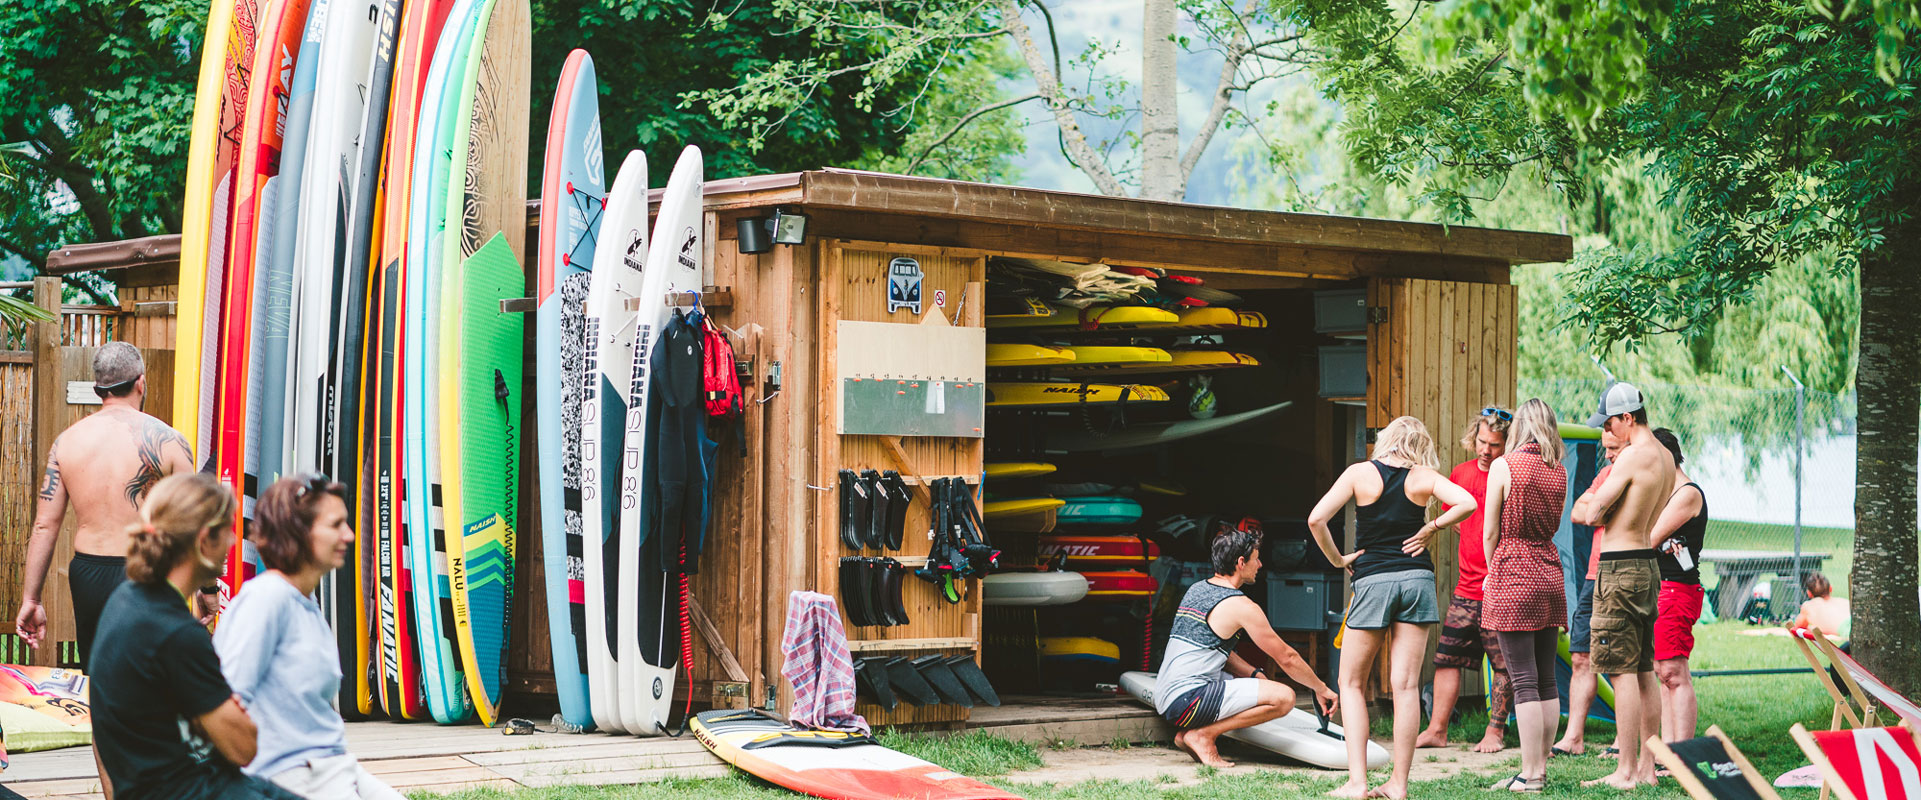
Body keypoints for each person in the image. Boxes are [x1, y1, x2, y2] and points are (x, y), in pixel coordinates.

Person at [88, 473, 300, 800]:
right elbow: (243, 747)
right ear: (203, 542)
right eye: (227, 531)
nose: (234, 541)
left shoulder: (127, 600)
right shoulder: (176, 633)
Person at [1309, 416, 1477, 800]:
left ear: (1387, 440)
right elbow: (1467, 503)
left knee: (1351, 683)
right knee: (1405, 687)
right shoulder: (1423, 477)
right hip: (1417, 582)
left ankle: (1358, 783)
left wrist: (1338, 560)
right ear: (1420, 444)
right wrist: (1431, 527)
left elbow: (1316, 518)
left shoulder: (1359, 473)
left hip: (1373, 582)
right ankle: (1398, 786)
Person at [214, 474, 404, 800]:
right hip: (291, 773)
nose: (350, 534)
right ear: (298, 531)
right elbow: (225, 699)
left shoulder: (305, 600)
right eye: (336, 524)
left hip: (332, 763)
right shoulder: (266, 598)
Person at [16, 342, 196, 670]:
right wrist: (207, 587)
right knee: (149, 676)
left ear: (98, 388)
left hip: (90, 573)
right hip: (147, 570)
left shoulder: (67, 442)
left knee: (100, 678)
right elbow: (193, 520)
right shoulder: (170, 441)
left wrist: (31, 598)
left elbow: (45, 525)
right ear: (140, 382)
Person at [1152, 520, 1339, 769]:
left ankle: (1192, 733)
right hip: (1188, 700)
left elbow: (1216, 652)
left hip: (1167, 696)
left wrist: (1254, 673)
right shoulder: (1241, 606)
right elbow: (1287, 657)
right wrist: (1321, 688)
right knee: (1284, 698)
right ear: (1241, 563)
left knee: (1262, 686)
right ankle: (1203, 735)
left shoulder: (1197, 589)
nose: (1260, 565)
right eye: (1256, 559)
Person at [1570, 382, 1675, 790]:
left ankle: (1626, 770)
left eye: (1611, 423)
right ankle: (1647, 769)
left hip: (1618, 566)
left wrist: (1592, 505)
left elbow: (1592, 510)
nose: (1610, 432)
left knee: (1620, 670)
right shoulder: (1664, 456)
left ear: (1628, 418)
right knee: (1644, 668)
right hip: (1648, 567)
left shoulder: (1632, 456)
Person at [1478, 399, 1570, 792]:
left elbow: (1490, 531)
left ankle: (1530, 773)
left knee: (1524, 680)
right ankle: (1540, 768)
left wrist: (1491, 569)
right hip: (1549, 571)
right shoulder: (1559, 471)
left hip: (1514, 571)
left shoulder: (1505, 466)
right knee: (1547, 680)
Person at [1417, 407, 1513, 753]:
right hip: (1466, 589)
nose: (1486, 451)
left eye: (1495, 445)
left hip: (1500, 589)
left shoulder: (1509, 473)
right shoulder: (1460, 473)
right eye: (1482, 442)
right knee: (1447, 658)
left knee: (1503, 663)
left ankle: (1495, 733)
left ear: (1507, 444)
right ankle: (1437, 730)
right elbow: (1456, 522)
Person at [1552, 428, 1625, 758]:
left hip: (1618, 577)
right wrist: (1603, 509)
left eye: (1613, 448)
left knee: (1619, 664)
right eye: (1605, 448)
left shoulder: (1639, 475)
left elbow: (1594, 512)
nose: (1607, 454)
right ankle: (1574, 738)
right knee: (1581, 655)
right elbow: (1579, 513)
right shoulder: (1606, 474)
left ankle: (1622, 740)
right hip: (1592, 578)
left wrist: (1599, 510)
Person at [1646, 428, 1706, 747]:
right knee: (1662, 672)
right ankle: (1669, 753)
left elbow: (1649, 536)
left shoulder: (1687, 493)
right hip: (1660, 588)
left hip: (1676, 590)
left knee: (1673, 671)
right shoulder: (1664, 494)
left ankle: (1682, 752)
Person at [1789, 572, 1850, 639]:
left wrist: (1812, 628)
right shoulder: (1844, 601)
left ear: (1809, 593)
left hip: (1845, 630)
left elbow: (1797, 628)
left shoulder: (1808, 606)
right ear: (1830, 589)